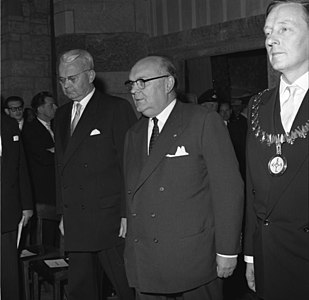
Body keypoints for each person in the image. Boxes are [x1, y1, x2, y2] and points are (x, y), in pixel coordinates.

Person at [123, 55, 244, 300]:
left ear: (168, 83)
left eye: (142, 82)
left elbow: (228, 189)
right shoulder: (134, 133)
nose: (135, 90)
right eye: (132, 84)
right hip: (147, 257)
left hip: (193, 257)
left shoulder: (202, 121)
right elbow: (132, 191)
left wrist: (227, 250)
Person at [54, 49, 136, 300]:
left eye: (72, 78)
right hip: (77, 218)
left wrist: (127, 211)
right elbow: (61, 168)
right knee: (81, 290)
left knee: (127, 287)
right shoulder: (60, 115)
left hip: (110, 217)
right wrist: (63, 213)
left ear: (90, 75)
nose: (66, 85)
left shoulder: (115, 108)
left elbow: (130, 165)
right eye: (62, 80)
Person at [244, 1, 309, 299]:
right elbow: (252, 188)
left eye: (284, 28)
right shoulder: (258, 104)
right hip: (268, 254)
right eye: (268, 31)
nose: (271, 39)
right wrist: (250, 255)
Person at [1, 114, 33, 300]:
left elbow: (21, 166)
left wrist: (27, 205)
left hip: (6, 210)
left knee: (7, 272)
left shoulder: (9, 124)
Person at [22, 91, 59, 247]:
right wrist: (56, 153)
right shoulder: (30, 130)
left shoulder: (58, 126)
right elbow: (43, 158)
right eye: (51, 104)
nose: (56, 107)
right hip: (43, 190)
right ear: (40, 108)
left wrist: (54, 151)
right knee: (46, 236)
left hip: (58, 188)